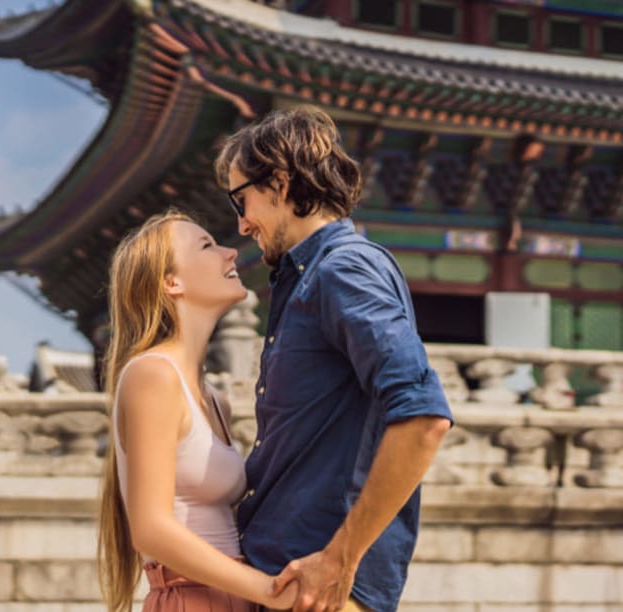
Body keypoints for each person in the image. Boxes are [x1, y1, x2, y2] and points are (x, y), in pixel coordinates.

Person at [214, 106, 453, 612]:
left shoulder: (343, 269)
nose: (242, 224)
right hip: (290, 580)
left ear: (279, 181)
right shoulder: (309, 276)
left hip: (318, 588)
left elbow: (424, 416)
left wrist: (340, 559)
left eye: (242, 199)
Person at [97, 211, 298, 612]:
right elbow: (151, 529)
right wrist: (271, 591)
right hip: (192, 598)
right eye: (207, 246)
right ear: (172, 282)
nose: (229, 253)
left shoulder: (214, 399)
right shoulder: (152, 374)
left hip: (234, 597)